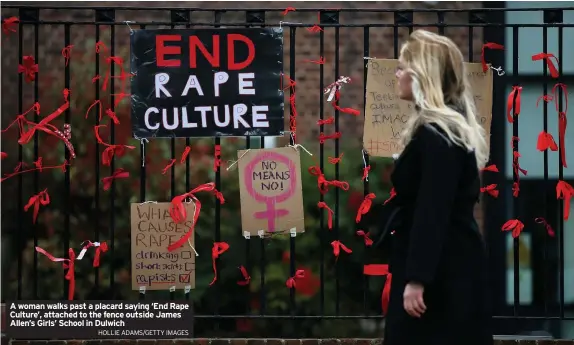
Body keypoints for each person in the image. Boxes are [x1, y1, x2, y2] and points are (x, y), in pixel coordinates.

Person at [381, 30, 494, 345]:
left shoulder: (437, 136)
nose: (397, 74)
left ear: (422, 76)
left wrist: (417, 279)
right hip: (447, 267)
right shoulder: (443, 132)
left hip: (441, 276)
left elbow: (433, 209)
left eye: (403, 67)